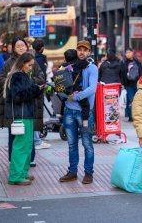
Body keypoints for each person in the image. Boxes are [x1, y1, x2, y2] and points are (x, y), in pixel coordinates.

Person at [0, 36, 46, 167]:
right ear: (13, 48)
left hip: (30, 104)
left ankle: (29, 160)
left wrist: (30, 83)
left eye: (22, 45)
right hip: (15, 106)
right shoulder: (8, 63)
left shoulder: (32, 61)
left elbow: (41, 77)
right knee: (15, 133)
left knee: (29, 135)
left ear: (27, 47)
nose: (20, 48)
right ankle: (15, 163)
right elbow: (1, 78)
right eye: (17, 46)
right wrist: (12, 82)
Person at [59, 40, 98, 184]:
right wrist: (66, 96)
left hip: (84, 113)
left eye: (85, 50)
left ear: (89, 52)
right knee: (71, 144)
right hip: (69, 111)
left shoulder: (92, 68)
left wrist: (75, 96)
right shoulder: (69, 67)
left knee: (87, 144)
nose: (82, 52)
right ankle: (72, 172)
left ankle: (88, 173)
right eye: (79, 49)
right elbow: (61, 86)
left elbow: (92, 89)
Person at [4, 52, 45, 185]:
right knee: (21, 146)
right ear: (22, 64)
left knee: (27, 145)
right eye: (30, 65)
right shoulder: (17, 76)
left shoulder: (21, 75)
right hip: (21, 115)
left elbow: (24, 91)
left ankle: (22, 172)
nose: (31, 68)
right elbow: (18, 95)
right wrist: (35, 90)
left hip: (25, 114)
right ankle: (16, 176)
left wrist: (37, 88)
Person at [58, 48, 92, 133]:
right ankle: (85, 125)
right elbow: (87, 62)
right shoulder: (78, 64)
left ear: (65, 58)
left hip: (66, 89)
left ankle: (62, 116)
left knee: (64, 102)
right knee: (86, 105)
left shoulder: (62, 66)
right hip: (76, 89)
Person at [31, 39, 51, 150]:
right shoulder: (41, 58)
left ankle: (36, 139)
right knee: (37, 114)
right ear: (41, 48)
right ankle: (37, 140)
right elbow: (41, 75)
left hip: (33, 87)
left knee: (35, 114)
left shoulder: (30, 57)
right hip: (38, 88)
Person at [121, 48, 142, 122]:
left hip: (137, 83)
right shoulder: (123, 62)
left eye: (129, 52)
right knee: (130, 99)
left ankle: (135, 115)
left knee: (136, 100)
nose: (128, 54)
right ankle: (131, 116)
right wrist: (123, 84)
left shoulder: (137, 62)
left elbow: (141, 72)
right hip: (128, 84)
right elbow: (122, 74)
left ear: (132, 53)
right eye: (126, 52)